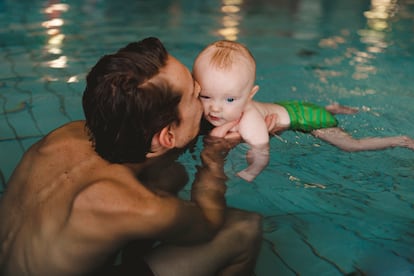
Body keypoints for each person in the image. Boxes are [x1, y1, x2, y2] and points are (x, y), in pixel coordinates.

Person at [0, 37, 263, 276]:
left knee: (170, 176)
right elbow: (209, 223)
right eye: (198, 96)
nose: (206, 104)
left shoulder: (66, 135)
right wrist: (214, 159)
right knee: (244, 228)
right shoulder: (134, 205)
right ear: (167, 137)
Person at [193, 40, 414, 182]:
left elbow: (262, 153)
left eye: (230, 99)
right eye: (206, 96)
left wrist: (251, 171)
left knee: (351, 146)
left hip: (309, 118)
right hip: (291, 107)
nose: (215, 107)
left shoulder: (250, 121)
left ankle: (399, 140)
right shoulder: (224, 107)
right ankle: (332, 109)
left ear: (251, 95)